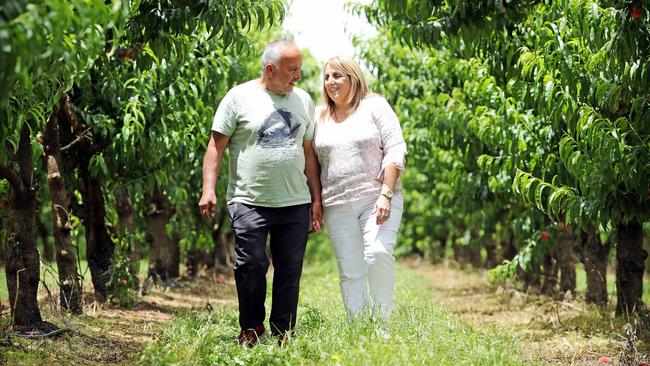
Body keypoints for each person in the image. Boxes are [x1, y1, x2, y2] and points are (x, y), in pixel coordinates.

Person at [199, 39, 322, 347]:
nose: (298, 76)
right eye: (291, 70)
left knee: (289, 269)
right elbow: (216, 146)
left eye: (299, 69)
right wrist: (208, 189)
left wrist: (316, 199)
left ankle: (283, 332)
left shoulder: (304, 100)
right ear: (270, 69)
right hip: (248, 199)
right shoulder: (238, 97)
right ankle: (252, 327)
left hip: (295, 201)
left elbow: (309, 153)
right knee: (251, 263)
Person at [313, 56, 406, 320]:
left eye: (338, 75)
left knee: (378, 253)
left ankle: (382, 323)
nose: (331, 81)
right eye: (327, 76)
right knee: (350, 270)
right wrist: (316, 201)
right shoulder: (320, 116)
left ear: (353, 78)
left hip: (376, 197)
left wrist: (386, 194)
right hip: (336, 203)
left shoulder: (374, 106)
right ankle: (358, 327)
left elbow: (396, 148)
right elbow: (313, 162)